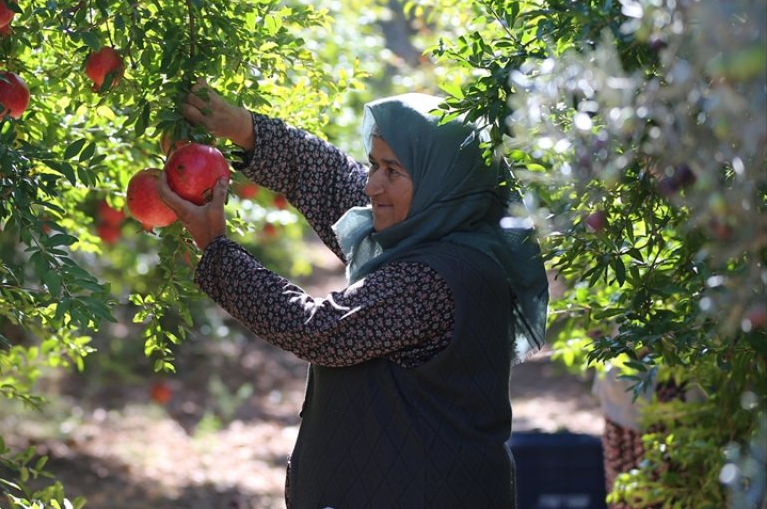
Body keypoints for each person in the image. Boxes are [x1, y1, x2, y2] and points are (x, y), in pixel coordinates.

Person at [157, 84, 550, 509]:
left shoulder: (433, 279)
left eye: (392, 171)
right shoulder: (430, 230)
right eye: (373, 165)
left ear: (439, 179)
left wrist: (217, 250)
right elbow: (329, 180)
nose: (371, 186)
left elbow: (318, 331)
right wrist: (244, 128)